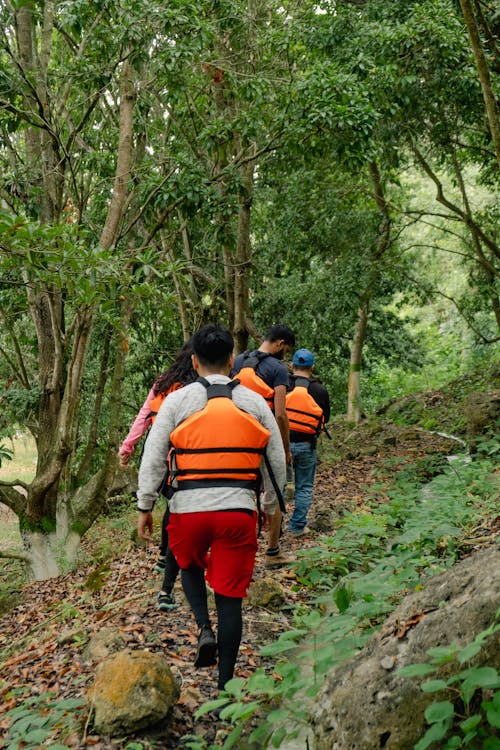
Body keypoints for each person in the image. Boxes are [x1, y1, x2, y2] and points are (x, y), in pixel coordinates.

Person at [136, 323, 286, 692]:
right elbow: (277, 461)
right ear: (232, 360)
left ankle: (203, 628)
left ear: (194, 361)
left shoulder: (177, 400)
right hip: (238, 509)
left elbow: (152, 457)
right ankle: (225, 685)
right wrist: (270, 506)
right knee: (230, 596)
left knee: (188, 565)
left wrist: (146, 505)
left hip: (188, 510)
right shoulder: (253, 402)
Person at [119, 339, 197, 610]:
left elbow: (143, 416)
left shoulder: (162, 384)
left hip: (159, 461)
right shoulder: (195, 390)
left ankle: (165, 557)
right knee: (175, 514)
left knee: (170, 510)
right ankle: (168, 562)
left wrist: (128, 445)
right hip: (184, 462)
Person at [231, 324, 295, 568]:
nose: (285, 353)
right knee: (275, 492)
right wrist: (285, 449)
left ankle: (240, 548)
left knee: (242, 491)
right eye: (286, 349)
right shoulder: (278, 368)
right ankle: (273, 551)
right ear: (280, 343)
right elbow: (280, 413)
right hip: (266, 438)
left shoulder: (238, 360)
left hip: (237, 436)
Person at [285, 348, 330, 536]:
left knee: (278, 486)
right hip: (307, 445)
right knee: (304, 487)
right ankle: (296, 527)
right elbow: (325, 418)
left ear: (292, 366)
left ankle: (274, 528)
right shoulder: (320, 390)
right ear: (312, 367)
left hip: (282, 445)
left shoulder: (283, 384)